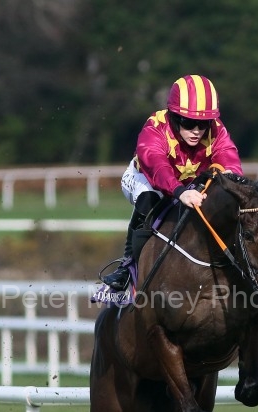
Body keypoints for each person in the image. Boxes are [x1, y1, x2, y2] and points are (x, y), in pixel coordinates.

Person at [102, 74, 243, 291]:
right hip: (147, 178)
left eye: (203, 124)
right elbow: (158, 168)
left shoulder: (217, 130)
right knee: (149, 198)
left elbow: (230, 163)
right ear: (174, 116)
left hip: (189, 183)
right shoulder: (156, 127)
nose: (197, 131)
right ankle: (127, 268)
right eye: (189, 123)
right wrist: (179, 191)